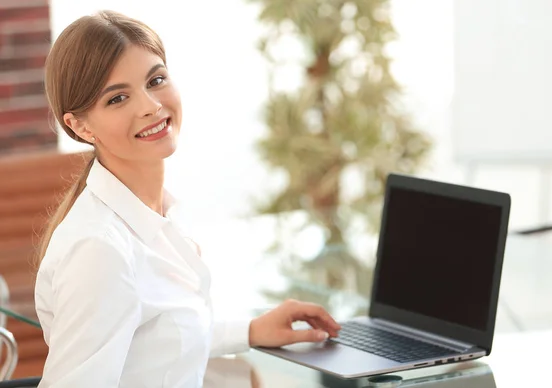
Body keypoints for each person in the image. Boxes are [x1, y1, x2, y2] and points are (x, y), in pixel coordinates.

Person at [34, 10, 340, 388]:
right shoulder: (100, 251)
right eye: (117, 99)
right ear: (79, 125)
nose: (149, 105)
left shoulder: (153, 212)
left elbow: (154, 341)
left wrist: (252, 330)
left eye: (156, 79)